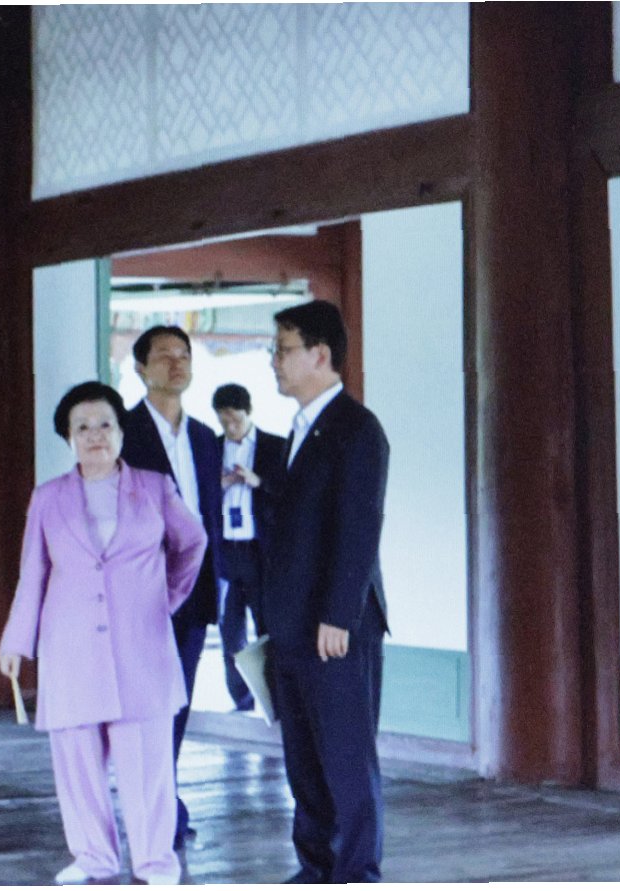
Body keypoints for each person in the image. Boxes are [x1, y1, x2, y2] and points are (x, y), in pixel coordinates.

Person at [0, 382, 206, 886]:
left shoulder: (155, 487)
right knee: (78, 763)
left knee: (148, 767)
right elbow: (33, 572)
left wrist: (164, 599)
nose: (95, 435)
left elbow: (192, 543)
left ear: (121, 432)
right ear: (68, 437)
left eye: (105, 424)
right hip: (70, 647)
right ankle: (94, 858)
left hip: (143, 647)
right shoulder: (48, 498)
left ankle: (156, 863)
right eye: (83, 427)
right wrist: (16, 641)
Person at [264, 300, 390, 883]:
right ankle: (315, 868)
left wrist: (339, 615)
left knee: (345, 759)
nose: (274, 361)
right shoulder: (295, 431)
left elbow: (360, 527)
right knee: (304, 761)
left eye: (283, 350)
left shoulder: (356, 429)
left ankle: (357, 872)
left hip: (335, 628)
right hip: (291, 626)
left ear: (320, 354)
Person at [119, 324, 226, 847]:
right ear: (140, 368)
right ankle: (153, 809)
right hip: (139, 591)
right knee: (145, 705)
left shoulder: (205, 437)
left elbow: (210, 517)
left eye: (184, 354)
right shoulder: (121, 431)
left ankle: (166, 805)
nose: (177, 363)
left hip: (196, 589)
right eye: (163, 355)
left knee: (178, 702)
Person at [211, 382, 287, 694]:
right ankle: (240, 696)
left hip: (260, 551)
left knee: (267, 626)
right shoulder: (211, 447)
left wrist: (259, 482)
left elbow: (290, 495)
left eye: (236, 420)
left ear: (249, 412)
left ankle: (273, 696)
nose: (231, 427)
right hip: (225, 550)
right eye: (224, 421)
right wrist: (220, 485)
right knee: (230, 629)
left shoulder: (275, 446)